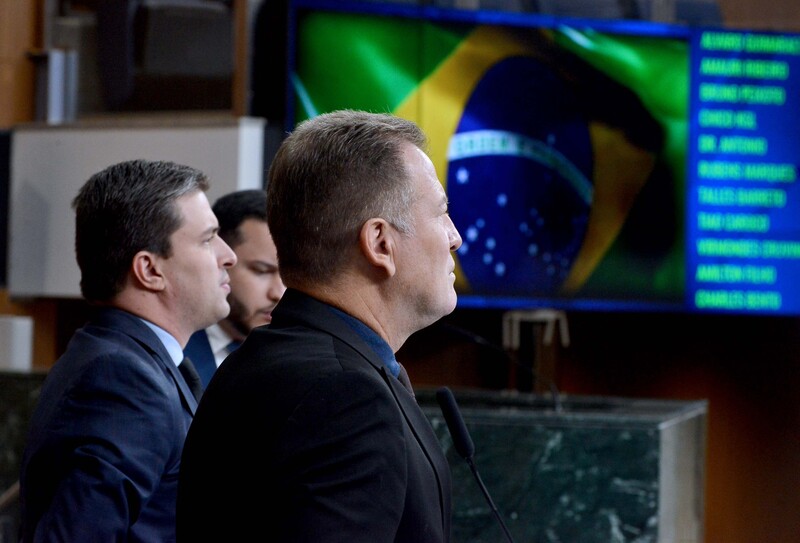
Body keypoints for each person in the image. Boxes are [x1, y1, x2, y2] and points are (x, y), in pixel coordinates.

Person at [177, 110, 463, 542]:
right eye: (441, 212)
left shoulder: (256, 362)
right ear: (380, 243)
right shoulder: (345, 396)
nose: (455, 236)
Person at [19, 159, 237, 542]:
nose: (228, 255)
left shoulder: (123, 359)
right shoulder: (124, 380)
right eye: (207, 240)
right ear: (149, 271)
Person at [183, 189, 285, 389]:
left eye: (288, 275)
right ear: (222, 260)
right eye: (262, 271)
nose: (279, 293)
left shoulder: (306, 354)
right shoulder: (173, 348)